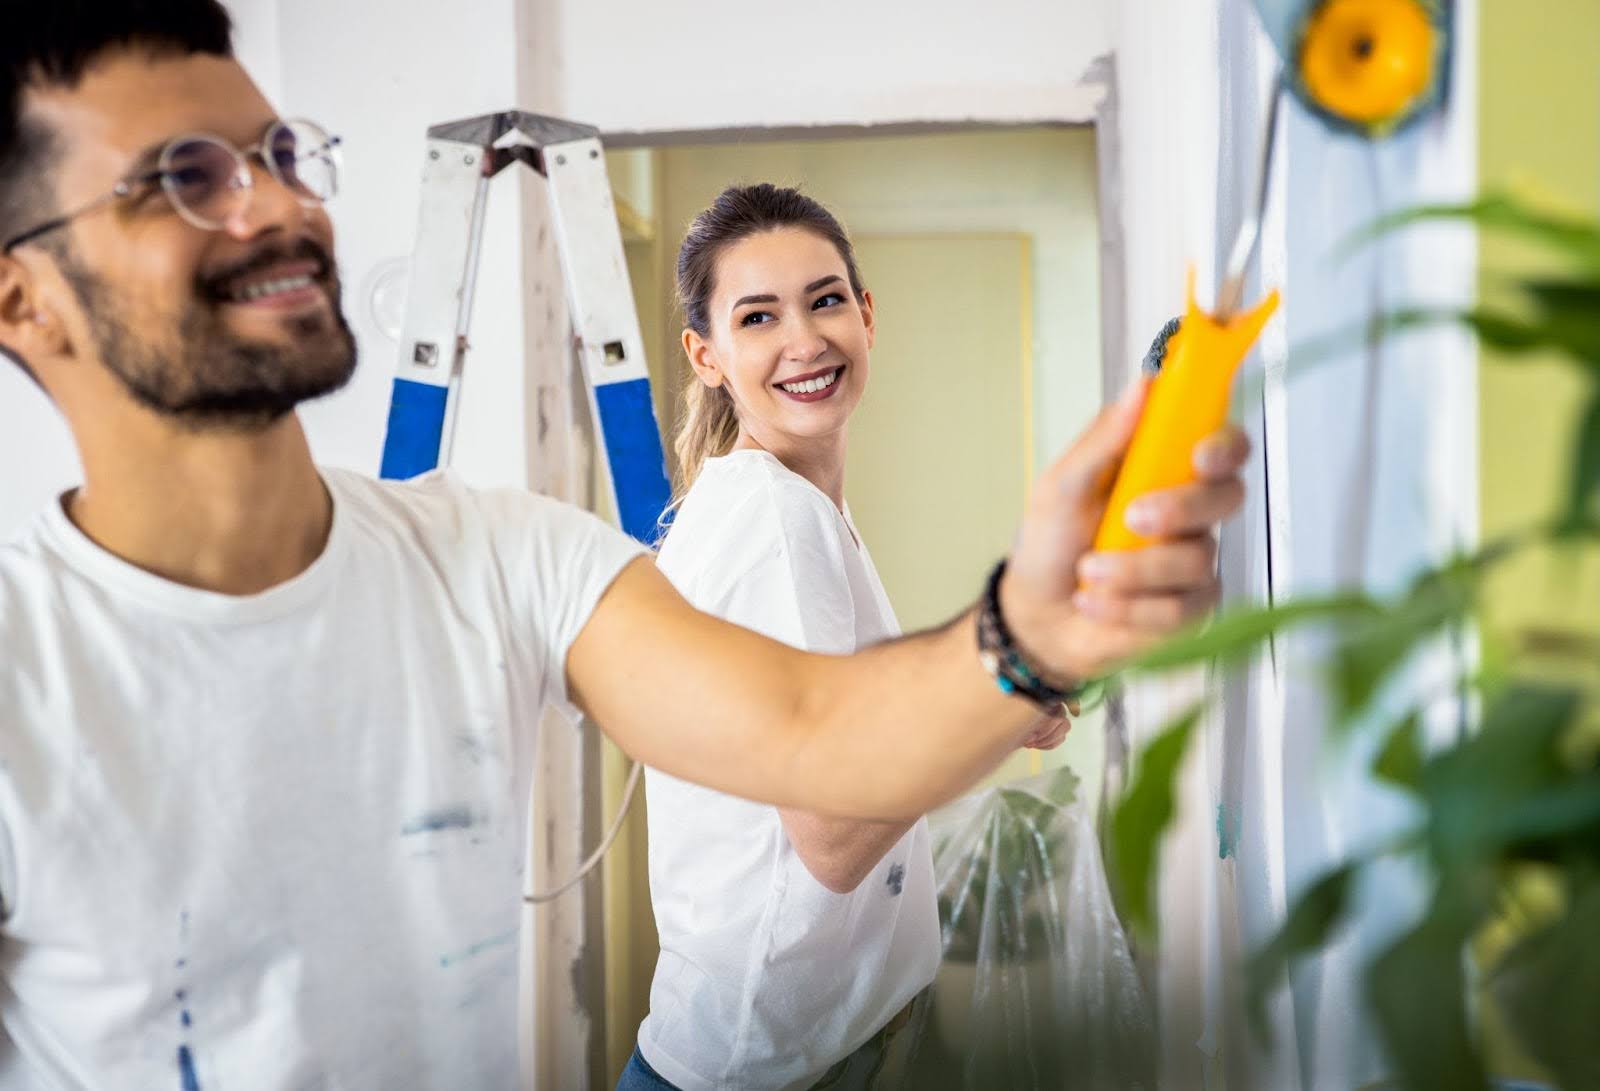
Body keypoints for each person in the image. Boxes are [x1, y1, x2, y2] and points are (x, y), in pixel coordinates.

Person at [0, 5, 1247, 1087]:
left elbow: (817, 732)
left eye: (280, 155)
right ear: (23, 298)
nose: (275, 202)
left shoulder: (499, 558)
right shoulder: (24, 670)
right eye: (183, 176)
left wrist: (1030, 630)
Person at [624, 185, 1070, 1091]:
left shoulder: (784, 499)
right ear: (706, 356)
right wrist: (999, 688)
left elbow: (844, 741)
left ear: (867, 315)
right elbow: (831, 832)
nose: (806, 340)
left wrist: (992, 711)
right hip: (760, 1066)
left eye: (825, 299)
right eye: (759, 317)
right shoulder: (773, 520)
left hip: (795, 1045)